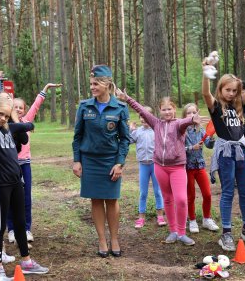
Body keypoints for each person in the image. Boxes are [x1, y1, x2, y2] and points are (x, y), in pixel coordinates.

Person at [0, 69, 49, 278]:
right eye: (0, 114)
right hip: (0, 184)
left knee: (19, 222)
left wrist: (22, 121)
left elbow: (25, 126)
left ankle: (26, 261)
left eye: (5, 116)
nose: (2, 118)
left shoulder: (9, 129)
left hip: (17, 181)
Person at [116, 91, 205, 247]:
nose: (167, 112)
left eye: (169, 109)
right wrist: (127, 99)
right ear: (160, 111)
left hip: (177, 167)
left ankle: (182, 233)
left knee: (181, 200)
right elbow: (141, 110)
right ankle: (173, 231)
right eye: (164, 109)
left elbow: (185, 122)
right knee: (168, 199)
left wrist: (192, 119)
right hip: (160, 167)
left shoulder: (178, 124)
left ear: (174, 110)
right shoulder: (156, 123)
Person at [201, 48, 245, 252]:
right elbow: (205, 93)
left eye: (235, 90)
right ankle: (226, 233)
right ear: (221, 89)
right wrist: (207, 72)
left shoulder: (239, 105)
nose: (232, 93)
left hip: (242, 151)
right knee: (228, 192)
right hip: (226, 154)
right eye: (228, 90)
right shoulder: (216, 107)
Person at [73, 65, 130, 257]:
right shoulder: (84, 106)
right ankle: (102, 240)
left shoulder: (120, 108)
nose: (92, 87)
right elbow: (77, 136)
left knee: (112, 200)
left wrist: (119, 163)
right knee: (96, 200)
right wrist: (77, 160)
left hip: (110, 161)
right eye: (91, 84)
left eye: (96, 83)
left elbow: (124, 139)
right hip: (90, 161)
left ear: (107, 84)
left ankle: (114, 238)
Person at [9, 77, 62, 244]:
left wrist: (45, 87)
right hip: (10, 166)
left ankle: (26, 229)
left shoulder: (26, 122)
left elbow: (36, 105)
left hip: (24, 164)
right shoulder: (6, 124)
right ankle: (11, 229)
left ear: (24, 111)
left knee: (25, 197)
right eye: (15, 107)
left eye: (20, 108)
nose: (18, 110)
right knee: (10, 198)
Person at [182, 103, 219, 234]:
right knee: (190, 196)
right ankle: (191, 220)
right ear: (184, 116)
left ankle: (206, 219)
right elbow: (179, 149)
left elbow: (208, 145)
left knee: (207, 195)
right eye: (188, 113)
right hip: (187, 168)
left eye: (194, 112)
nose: (192, 115)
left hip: (200, 166)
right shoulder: (182, 131)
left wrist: (211, 139)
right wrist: (192, 147)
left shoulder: (201, 130)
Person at [129, 106, 166, 229]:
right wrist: (130, 130)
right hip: (143, 165)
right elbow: (128, 140)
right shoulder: (137, 131)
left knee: (157, 191)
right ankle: (141, 217)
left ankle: (160, 216)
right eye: (141, 116)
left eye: (146, 116)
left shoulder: (157, 130)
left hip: (155, 165)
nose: (144, 119)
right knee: (143, 192)